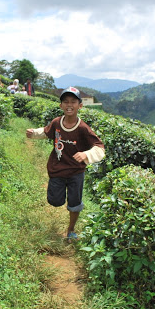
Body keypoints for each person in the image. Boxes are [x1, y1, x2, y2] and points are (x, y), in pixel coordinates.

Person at [26, 86, 105, 240]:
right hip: (57, 170)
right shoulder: (57, 122)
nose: (69, 105)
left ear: (80, 106)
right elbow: (47, 131)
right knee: (55, 201)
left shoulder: (83, 128)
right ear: (61, 105)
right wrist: (34, 133)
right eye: (66, 102)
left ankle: (71, 230)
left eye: (73, 102)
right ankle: (60, 199)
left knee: (75, 204)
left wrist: (86, 154)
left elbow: (99, 147)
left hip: (76, 172)